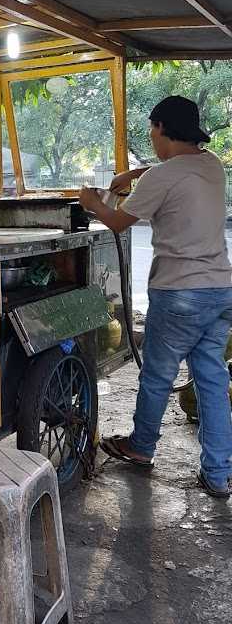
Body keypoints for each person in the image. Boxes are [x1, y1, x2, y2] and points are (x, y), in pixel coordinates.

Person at [79, 95, 232, 499]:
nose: (151, 136)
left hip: (180, 292)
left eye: (152, 129)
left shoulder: (162, 178)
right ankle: (218, 475)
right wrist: (132, 174)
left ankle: (141, 446)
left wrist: (92, 202)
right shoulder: (211, 164)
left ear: (163, 128)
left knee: (158, 376)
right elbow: (166, 171)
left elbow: (116, 221)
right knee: (212, 381)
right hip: (219, 291)